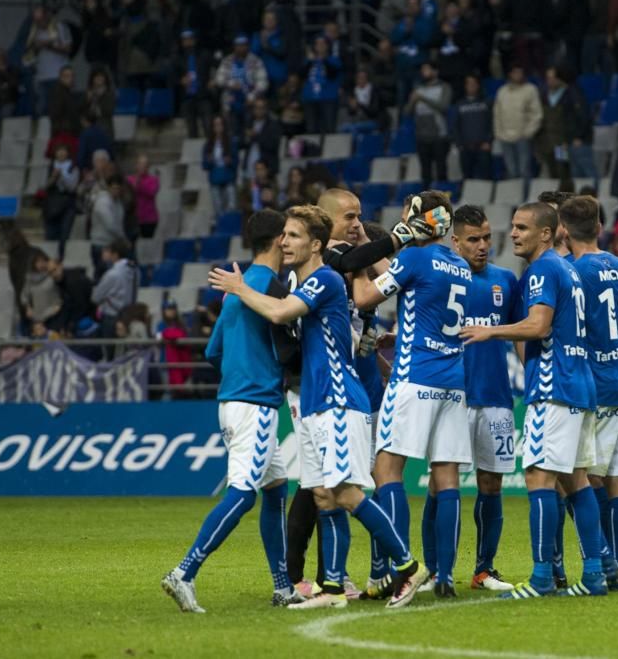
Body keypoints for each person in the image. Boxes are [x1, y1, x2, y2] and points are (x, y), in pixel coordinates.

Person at [209, 206, 429, 610]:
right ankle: (331, 590)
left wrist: (240, 288)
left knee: (346, 493)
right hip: (312, 402)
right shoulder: (304, 281)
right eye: (284, 235)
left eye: (293, 236)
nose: (284, 242)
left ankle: (409, 567)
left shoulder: (325, 280)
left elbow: (277, 311)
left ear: (314, 244)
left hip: (338, 400)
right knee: (323, 497)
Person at [461, 202, 605, 598]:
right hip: (580, 385)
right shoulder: (568, 270)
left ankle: (542, 578)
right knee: (576, 480)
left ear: (546, 233)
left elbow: (539, 324)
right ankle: (594, 574)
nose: (514, 234)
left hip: (554, 387)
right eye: (513, 227)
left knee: (538, 476)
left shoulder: (542, 270)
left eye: (522, 227)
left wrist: (491, 332)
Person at [161, 211, 301, 614]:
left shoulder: (235, 290)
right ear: (277, 241)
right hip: (256, 404)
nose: (290, 243)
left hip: (232, 401)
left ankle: (283, 587)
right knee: (243, 494)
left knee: (276, 489)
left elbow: (212, 351)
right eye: (287, 236)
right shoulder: (271, 288)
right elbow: (286, 348)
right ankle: (183, 572)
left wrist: (244, 364)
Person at [351, 191, 472, 600]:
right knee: (447, 477)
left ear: (420, 218)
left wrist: (356, 263)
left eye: (407, 214)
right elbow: (417, 289)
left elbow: (366, 297)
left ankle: (403, 569)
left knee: (385, 472)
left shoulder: (415, 259)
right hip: (453, 382)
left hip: (413, 378)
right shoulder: (460, 265)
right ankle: (446, 577)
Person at [417, 206, 518, 594]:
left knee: (491, 484)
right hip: (450, 397)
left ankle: (483, 569)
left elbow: (523, 334)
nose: (482, 246)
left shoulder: (506, 281)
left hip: (495, 398)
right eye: (473, 239)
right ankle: (434, 569)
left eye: (487, 238)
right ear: (454, 241)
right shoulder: (439, 280)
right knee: (441, 485)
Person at [563, 194, 618, 592]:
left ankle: (604, 560)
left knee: (581, 478)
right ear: (599, 227)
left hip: (596, 387)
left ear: (563, 231)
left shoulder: (573, 274)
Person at [535, 65, 592, 188]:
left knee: (563, 169)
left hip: (562, 142)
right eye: (548, 78)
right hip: (549, 143)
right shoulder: (543, 95)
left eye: (553, 77)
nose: (550, 81)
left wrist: (577, 136)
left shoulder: (571, 93)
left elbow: (582, 116)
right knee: (553, 171)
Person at [494, 65, 543, 181]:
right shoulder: (502, 91)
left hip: (523, 137)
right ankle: (513, 197)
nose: (518, 75)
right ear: (510, 74)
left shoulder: (530, 89)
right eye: (515, 72)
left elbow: (536, 114)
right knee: (511, 171)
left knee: (524, 170)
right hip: (505, 137)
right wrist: (499, 133)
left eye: (520, 72)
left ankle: (526, 197)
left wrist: (528, 132)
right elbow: (497, 114)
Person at [213, 34, 268, 137]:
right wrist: (231, 84)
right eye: (238, 45)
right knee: (232, 132)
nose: (241, 48)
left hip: (249, 102)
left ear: (247, 46)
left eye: (243, 45)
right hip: (230, 102)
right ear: (234, 46)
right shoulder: (227, 60)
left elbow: (263, 82)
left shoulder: (255, 61)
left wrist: (253, 95)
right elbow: (219, 79)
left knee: (248, 131)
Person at [408, 61, 451, 188]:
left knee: (441, 171)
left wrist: (422, 98)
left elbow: (443, 107)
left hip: (439, 135)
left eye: (427, 69)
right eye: (423, 70)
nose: (424, 72)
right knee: (425, 174)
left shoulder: (444, 87)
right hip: (422, 136)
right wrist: (412, 101)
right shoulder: (418, 89)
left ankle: (443, 202)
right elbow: (408, 111)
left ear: (435, 71)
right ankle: (428, 204)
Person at [23, 6, 71, 118]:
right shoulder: (34, 31)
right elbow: (28, 55)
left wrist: (48, 45)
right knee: (41, 108)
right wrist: (35, 48)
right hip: (41, 76)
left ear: (47, 16)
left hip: (57, 75)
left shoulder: (59, 27)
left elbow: (68, 49)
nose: (39, 23)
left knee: (58, 107)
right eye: (36, 20)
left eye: (40, 20)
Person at [91, 238, 136, 344]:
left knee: (110, 353)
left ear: (115, 254)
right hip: (129, 315)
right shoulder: (135, 270)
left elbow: (95, 297)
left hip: (112, 317)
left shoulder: (112, 274)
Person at [42, 143, 80, 258]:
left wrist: (61, 177)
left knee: (64, 234)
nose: (61, 153)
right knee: (51, 235)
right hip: (52, 204)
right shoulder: (48, 167)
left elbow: (72, 187)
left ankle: (62, 258)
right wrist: (53, 178)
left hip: (67, 204)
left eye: (64, 150)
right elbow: (43, 187)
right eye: (59, 150)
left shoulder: (73, 167)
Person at [174, 30, 213, 140]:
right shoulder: (178, 58)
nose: (188, 42)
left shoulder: (205, 54)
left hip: (203, 95)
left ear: (194, 40)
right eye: (185, 40)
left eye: (190, 39)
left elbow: (215, 67)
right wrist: (180, 80)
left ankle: (210, 153)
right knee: (191, 130)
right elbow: (172, 78)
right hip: (187, 97)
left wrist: (213, 80)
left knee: (208, 127)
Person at [453, 74, 493, 181]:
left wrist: (488, 141)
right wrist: (459, 143)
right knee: (467, 177)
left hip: (483, 146)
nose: (471, 86)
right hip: (465, 147)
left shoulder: (486, 102)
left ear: (478, 85)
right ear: (465, 86)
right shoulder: (459, 104)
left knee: (486, 177)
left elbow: (491, 123)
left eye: (473, 84)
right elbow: (455, 125)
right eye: (468, 84)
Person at [302, 36, 342, 134]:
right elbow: (302, 75)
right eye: (317, 44)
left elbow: (332, 74)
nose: (320, 46)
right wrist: (310, 62)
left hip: (328, 99)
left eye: (322, 44)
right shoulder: (309, 61)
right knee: (311, 129)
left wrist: (324, 59)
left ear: (328, 46)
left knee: (329, 128)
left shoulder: (334, 60)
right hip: (310, 99)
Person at [90, 175, 126, 277]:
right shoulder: (102, 202)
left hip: (111, 244)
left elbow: (119, 222)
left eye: (118, 188)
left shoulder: (118, 203)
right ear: (109, 188)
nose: (116, 191)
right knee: (102, 276)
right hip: (100, 244)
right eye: (114, 188)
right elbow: (110, 225)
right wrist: (123, 238)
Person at [203, 116, 238, 218]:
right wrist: (208, 161)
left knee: (231, 207)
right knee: (218, 210)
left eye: (220, 124)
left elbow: (236, 162)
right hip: (215, 179)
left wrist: (230, 161)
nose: (218, 128)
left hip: (229, 178)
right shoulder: (208, 144)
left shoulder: (231, 142)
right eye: (215, 125)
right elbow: (204, 165)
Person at [21, 251, 64, 333]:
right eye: (38, 262)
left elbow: (61, 292)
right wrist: (27, 307)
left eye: (43, 261)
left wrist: (58, 305)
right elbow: (24, 295)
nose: (41, 264)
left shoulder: (52, 274)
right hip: (37, 317)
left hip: (53, 315)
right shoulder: (29, 279)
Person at [251, 9, 289, 92]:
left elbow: (282, 52)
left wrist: (267, 46)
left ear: (276, 21)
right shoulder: (257, 36)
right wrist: (261, 41)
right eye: (267, 19)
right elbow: (253, 54)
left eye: (272, 19)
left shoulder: (282, 35)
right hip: (261, 77)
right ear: (263, 21)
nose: (269, 21)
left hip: (278, 76)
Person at [127, 154, 160, 238]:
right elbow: (130, 192)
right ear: (136, 165)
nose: (143, 167)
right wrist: (137, 180)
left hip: (149, 219)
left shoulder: (153, 180)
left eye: (145, 165)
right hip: (133, 219)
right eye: (141, 164)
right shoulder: (129, 179)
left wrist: (140, 184)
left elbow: (152, 192)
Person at [48, 66, 80, 141]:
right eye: (66, 76)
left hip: (67, 132)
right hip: (63, 134)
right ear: (60, 78)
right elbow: (56, 114)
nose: (70, 79)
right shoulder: (58, 93)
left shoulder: (67, 93)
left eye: (72, 76)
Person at [83, 68, 115, 140]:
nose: (99, 78)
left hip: (104, 124)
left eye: (101, 76)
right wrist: (87, 100)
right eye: (97, 76)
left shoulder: (109, 93)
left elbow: (108, 111)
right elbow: (83, 111)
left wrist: (97, 99)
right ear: (92, 79)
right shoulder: (88, 93)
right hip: (89, 125)